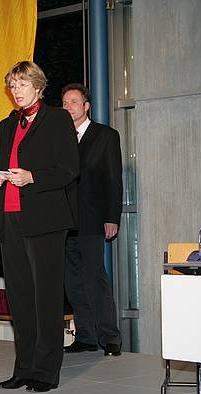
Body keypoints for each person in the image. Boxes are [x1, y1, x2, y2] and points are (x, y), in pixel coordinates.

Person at [0, 61, 79, 393]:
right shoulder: (6, 125)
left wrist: (33, 178)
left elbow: (69, 169)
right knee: (20, 299)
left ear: (38, 87)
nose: (16, 91)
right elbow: (3, 168)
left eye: (22, 84)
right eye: (12, 86)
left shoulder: (57, 119)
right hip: (9, 219)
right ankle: (23, 368)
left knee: (46, 299)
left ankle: (45, 371)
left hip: (45, 220)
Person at [61, 83, 123, 357]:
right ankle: (85, 337)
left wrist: (112, 217)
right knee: (72, 283)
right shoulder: (58, 139)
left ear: (87, 106)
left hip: (93, 218)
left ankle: (110, 338)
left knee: (94, 278)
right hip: (63, 221)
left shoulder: (105, 136)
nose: (68, 107)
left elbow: (113, 180)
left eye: (74, 102)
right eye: (65, 103)